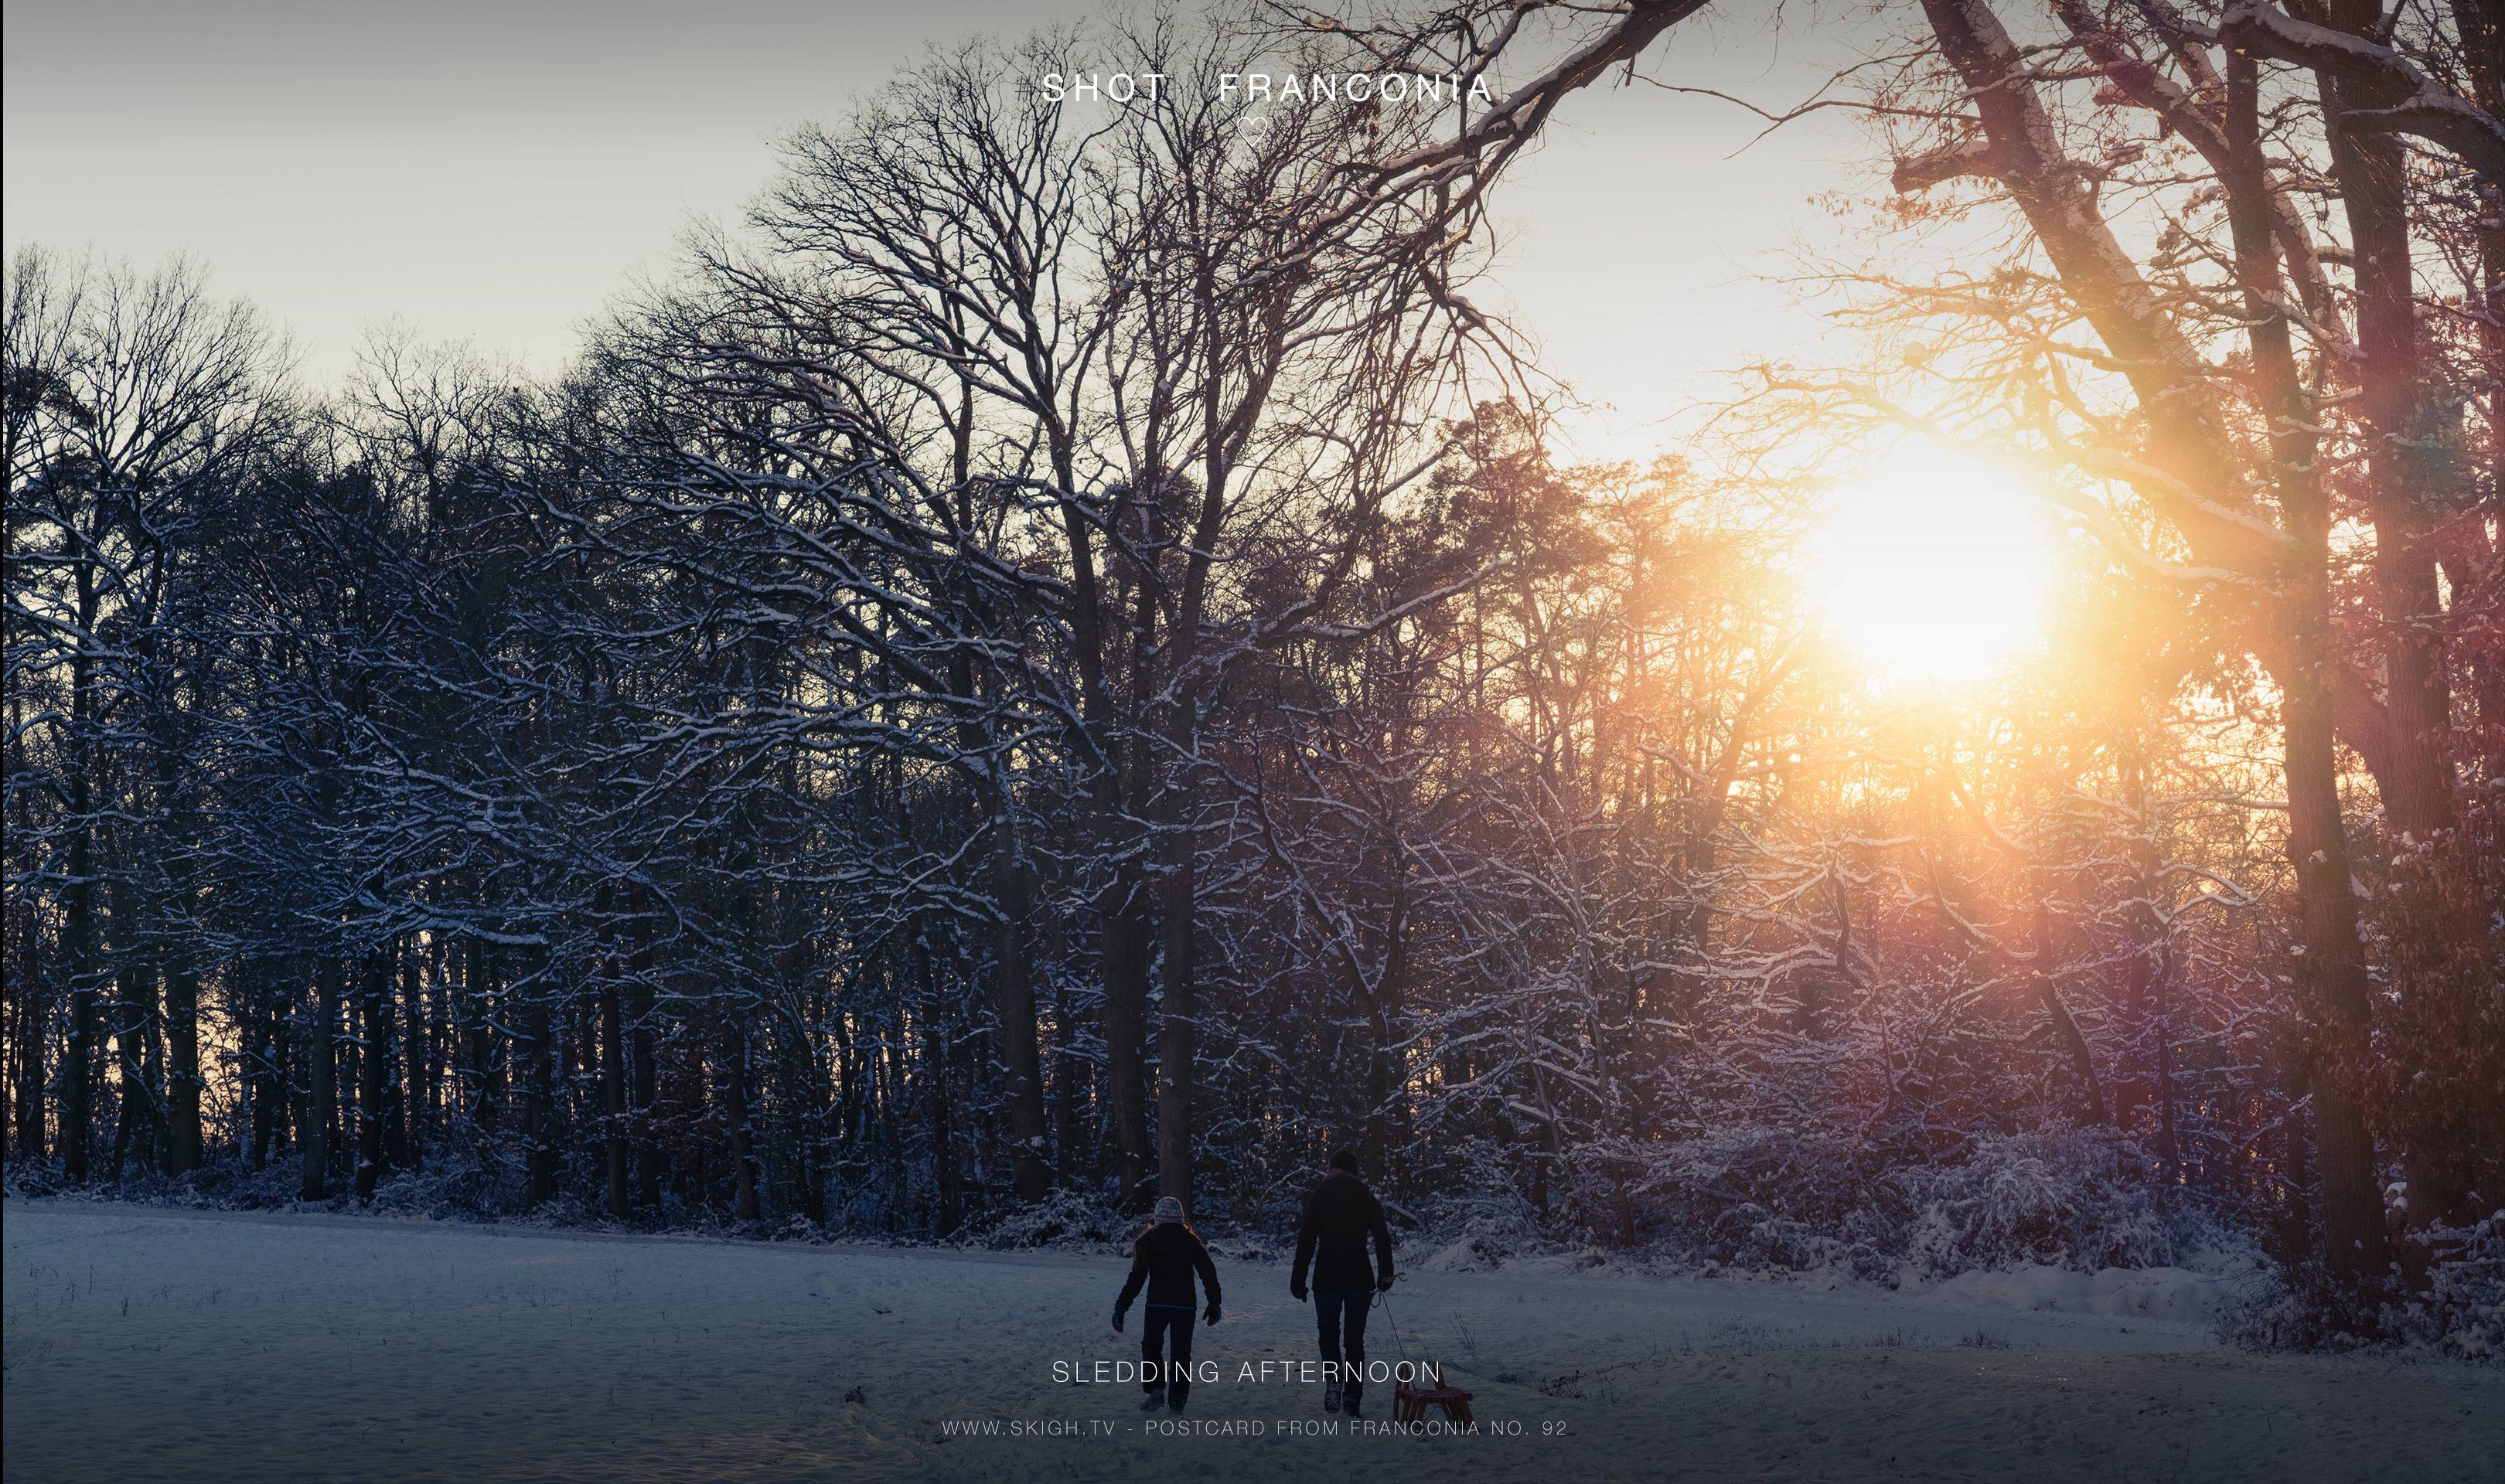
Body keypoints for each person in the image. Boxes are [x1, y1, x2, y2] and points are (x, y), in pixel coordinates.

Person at [1290, 1149, 1395, 1416]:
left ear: (1332, 1168)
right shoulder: (1365, 1197)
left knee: (1328, 1335)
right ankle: (1352, 1396)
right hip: (1359, 1277)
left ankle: (1334, 1380)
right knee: (1355, 1340)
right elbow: (1382, 1237)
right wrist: (1386, 1273)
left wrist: (1298, 1280)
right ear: (1354, 1170)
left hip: (1327, 1277)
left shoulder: (1320, 1196)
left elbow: (1306, 1241)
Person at [1112, 1195, 1221, 1412]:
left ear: (1157, 1218)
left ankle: (1156, 1390)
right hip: (1185, 1305)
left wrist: (1121, 1307)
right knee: (1181, 1353)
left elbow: (1137, 1278)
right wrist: (1214, 1302)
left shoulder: (1148, 1241)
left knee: (1151, 1346)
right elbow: (1207, 1272)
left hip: (1157, 1304)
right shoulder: (1191, 1242)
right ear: (1181, 1218)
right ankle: (1178, 1400)